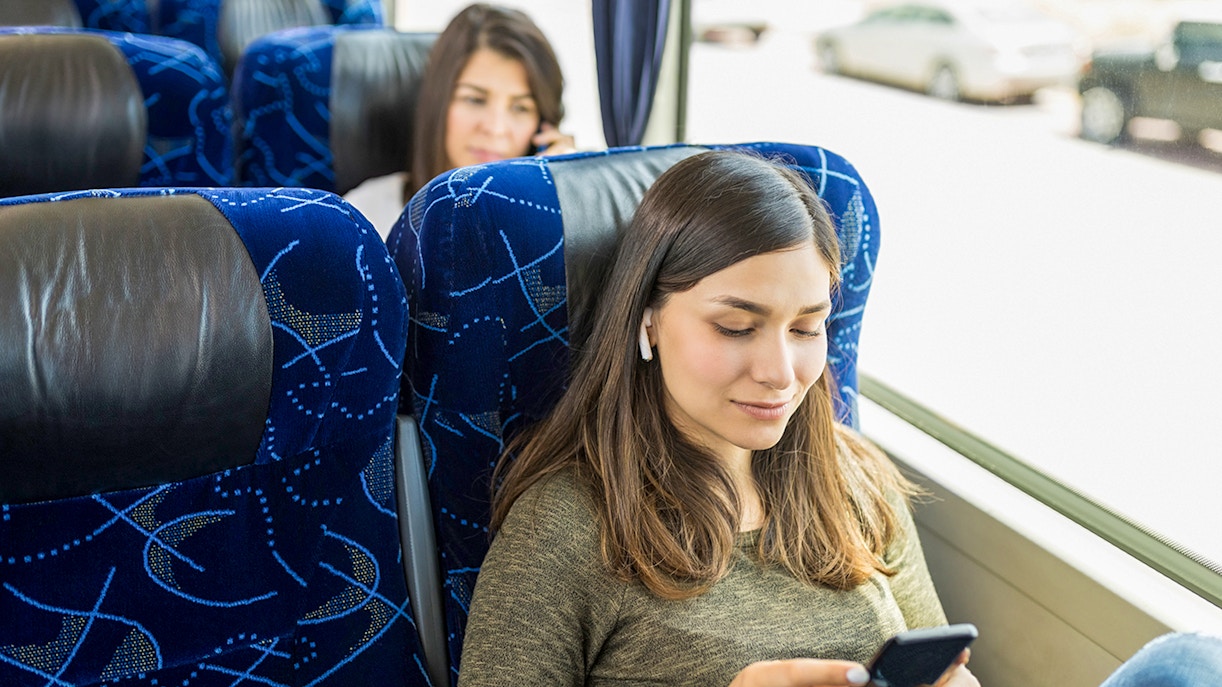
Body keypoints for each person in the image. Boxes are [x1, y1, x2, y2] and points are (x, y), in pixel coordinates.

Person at [455, 150, 1222, 687]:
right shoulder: (565, 525)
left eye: (805, 326)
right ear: (648, 321)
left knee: (1193, 661)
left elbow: (943, 663)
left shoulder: (856, 478)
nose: (781, 373)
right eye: (735, 326)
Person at [343, 3, 575, 238]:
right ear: (437, 102)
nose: (495, 128)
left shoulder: (558, 220)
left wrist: (568, 199)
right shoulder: (362, 218)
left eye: (520, 107)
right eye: (475, 99)